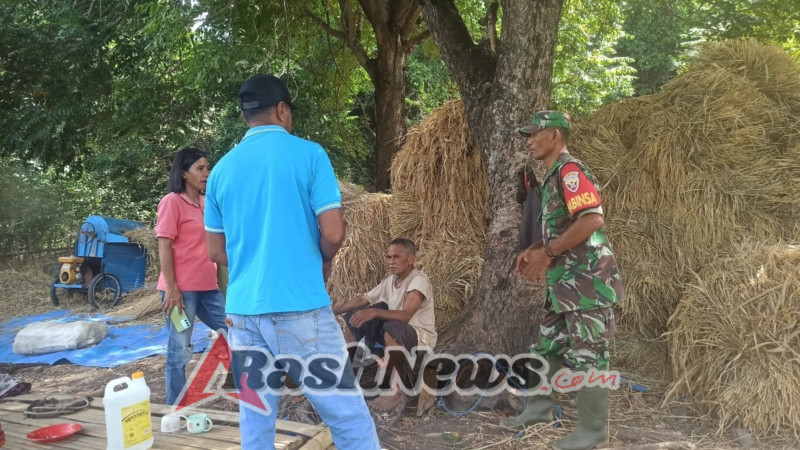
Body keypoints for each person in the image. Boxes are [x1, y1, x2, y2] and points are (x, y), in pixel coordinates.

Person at [204, 74, 380, 450]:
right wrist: (323, 260)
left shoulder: (220, 171)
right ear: (282, 110)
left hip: (242, 312)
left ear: (244, 116)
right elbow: (333, 233)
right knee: (345, 412)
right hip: (299, 305)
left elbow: (215, 251)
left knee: (255, 414)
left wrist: (256, 258)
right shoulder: (309, 155)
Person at [503, 111, 623, 450]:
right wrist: (535, 248)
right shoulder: (553, 174)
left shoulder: (570, 171)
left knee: (589, 354)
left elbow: (592, 219)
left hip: (586, 281)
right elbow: (563, 225)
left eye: (535, 133)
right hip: (564, 284)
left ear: (554, 135)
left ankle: (593, 432)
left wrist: (548, 253)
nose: (529, 140)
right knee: (546, 346)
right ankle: (538, 411)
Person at [156, 147, 227, 406]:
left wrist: (223, 288)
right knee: (180, 348)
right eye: (200, 168)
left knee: (233, 330)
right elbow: (164, 245)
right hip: (180, 294)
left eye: (208, 168)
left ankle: (238, 386)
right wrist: (172, 288)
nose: (206, 173)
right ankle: (177, 405)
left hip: (209, 289)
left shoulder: (208, 203)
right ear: (184, 173)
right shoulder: (171, 202)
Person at [333, 237, 436, 414]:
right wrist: (331, 311)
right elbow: (362, 299)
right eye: (388, 257)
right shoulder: (391, 281)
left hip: (419, 336)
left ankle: (396, 391)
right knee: (355, 317)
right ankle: (345, 377)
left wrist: (374, 312)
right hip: (396, 332)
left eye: (396, 257)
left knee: (386, 321)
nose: (391, 261)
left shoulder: (418, 280)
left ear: (411, 259)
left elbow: (405, 315)